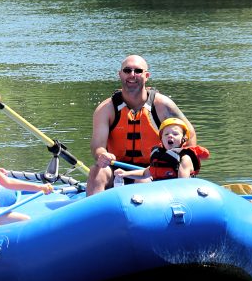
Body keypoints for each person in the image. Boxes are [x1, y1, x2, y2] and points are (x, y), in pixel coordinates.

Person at [86, 54, 197, 195]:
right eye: (127, 71)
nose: (132, 75)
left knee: (143, 181)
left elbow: (190, 134)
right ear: (120, 75)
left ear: (146, 76)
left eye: (138, 71)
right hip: (117, 168)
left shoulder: (163, 106)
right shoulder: (106, 109)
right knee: (96, 172)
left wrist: (184, 163)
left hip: (153, 169)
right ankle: (95, 214)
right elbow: (97, 146)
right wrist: (102, 155)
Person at [114, 118, 209, 183]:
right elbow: (145, 173)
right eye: (166, 134)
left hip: (176, 193)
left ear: (183, 139)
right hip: (161, 191)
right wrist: (125, 173)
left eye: (175, 134)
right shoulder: (158, 156)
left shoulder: (184, 158)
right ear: (161, 139)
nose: (170, 136)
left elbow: (182, 184)